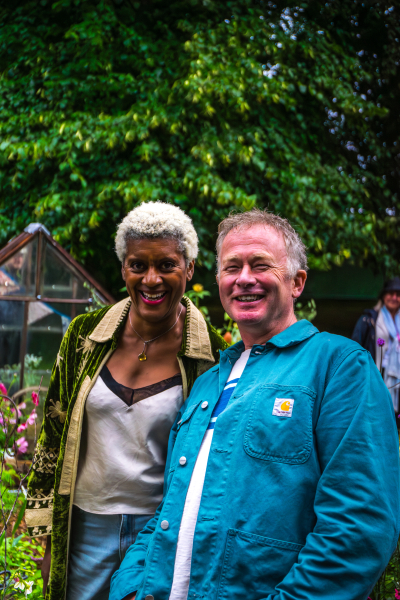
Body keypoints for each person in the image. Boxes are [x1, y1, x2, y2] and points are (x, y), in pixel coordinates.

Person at [110, 209, 400, 600]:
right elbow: (170, 510)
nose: (244, 278)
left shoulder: (339, 366)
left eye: (260, 265)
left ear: (297, 282)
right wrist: (129, 586)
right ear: (219, 282)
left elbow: (359, 526)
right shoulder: (207, 383)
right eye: (232, 268)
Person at [26, 202, 227, 600]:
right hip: (83, 527)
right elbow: (52, 433)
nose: (151, 279)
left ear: (189, 269)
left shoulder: (212, 358)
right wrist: (42, 533)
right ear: (123, 269)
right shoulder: (85, 336)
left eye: (166, 265)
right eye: (138, 265)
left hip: (160, 531)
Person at [352, 276, 400, 421]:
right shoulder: (369, 319)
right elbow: (355, 348)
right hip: (375, 374)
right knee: (374, 414)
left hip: (397, 377)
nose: (394, 297)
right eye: (390, 293)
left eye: (398, 294)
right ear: (383, 296)